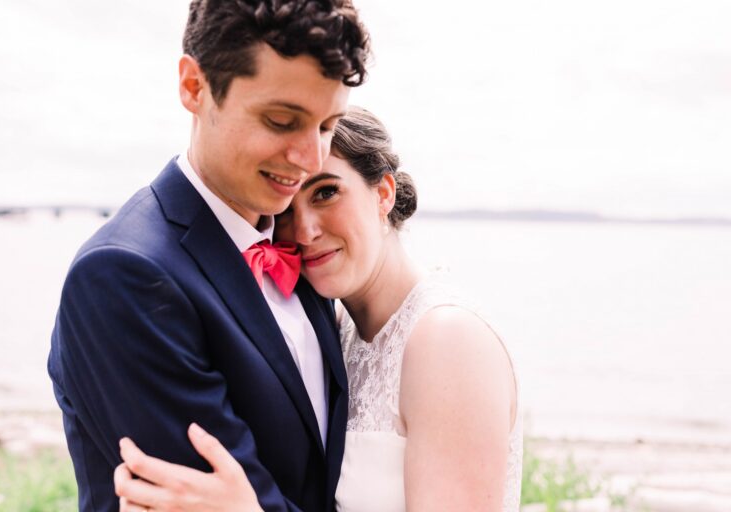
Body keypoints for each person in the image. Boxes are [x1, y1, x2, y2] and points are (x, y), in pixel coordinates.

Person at [114, 106, 523, 511]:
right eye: (287, 209)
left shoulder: (448, 338)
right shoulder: (334, 330)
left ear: (383, 193)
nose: (306, 230)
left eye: (327, 193)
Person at [47, 1, 370, 510]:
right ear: (194, 87)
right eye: (282, 120)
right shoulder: (123, 276)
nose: (310, 159)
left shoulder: (299, 246)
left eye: (328, 125)